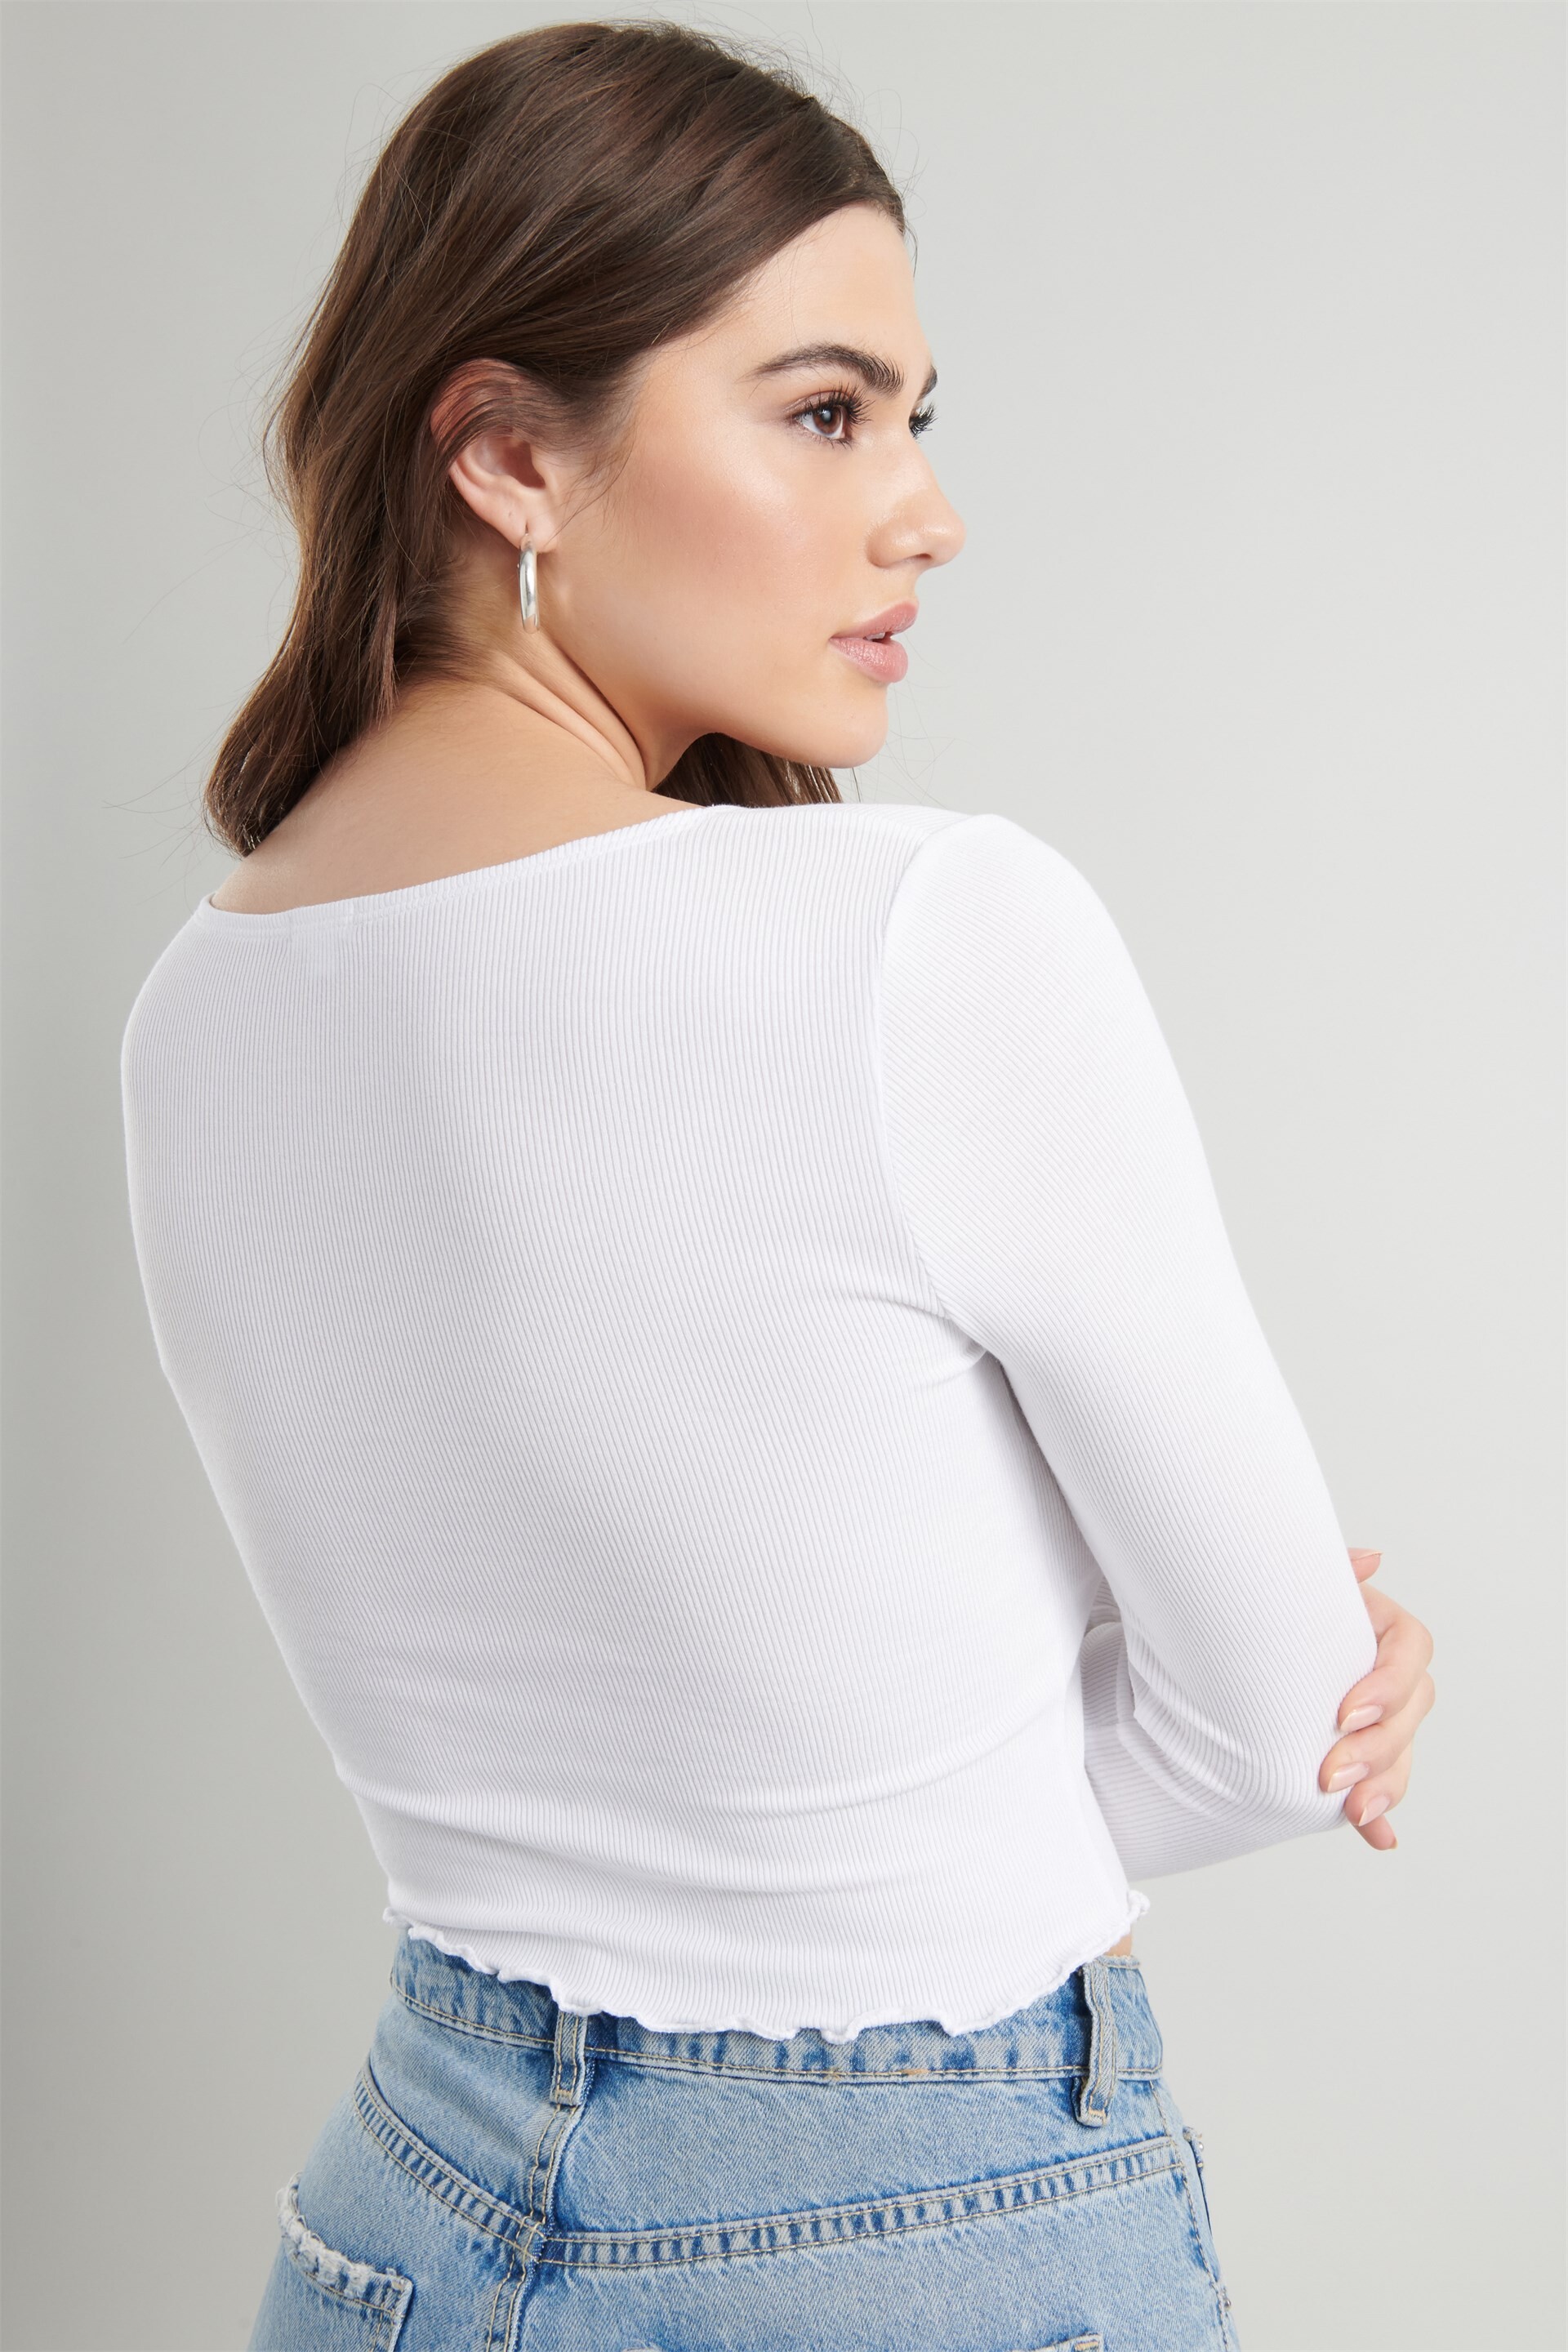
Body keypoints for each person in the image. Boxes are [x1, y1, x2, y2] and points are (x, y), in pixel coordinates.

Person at [119, 20, 1436, 2350]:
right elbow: (1272, 1733)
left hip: (401, 2212)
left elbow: (624, 1738)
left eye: (915, 418)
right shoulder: (920, 931)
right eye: (826, 414)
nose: (924, 512)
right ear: (510, 452)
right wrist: (1208, 1678)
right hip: (902, 2232)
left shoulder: (198, 1006)